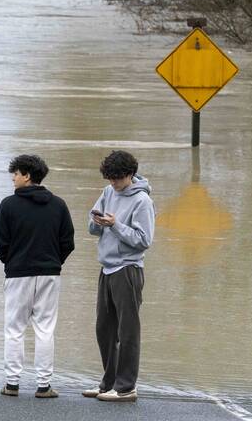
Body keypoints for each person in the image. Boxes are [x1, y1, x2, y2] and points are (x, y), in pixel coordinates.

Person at [0, 154, 75, 399]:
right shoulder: (58, 205)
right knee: (45, 329)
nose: (13, 178)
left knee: (14, 329)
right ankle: (43, 385)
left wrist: (11, 262)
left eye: (16, 173)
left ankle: (12, 383)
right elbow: (67, 242)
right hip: (50, 273)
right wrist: (54, 263)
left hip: (18, 273)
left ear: (27, 176)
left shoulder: (8, 205)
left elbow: (0, 243)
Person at [84, 150, 155, 403]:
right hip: (106, 267)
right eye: (109, 178)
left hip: (128, 269)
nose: (113, 182)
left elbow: (144, 240)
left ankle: (126, 387)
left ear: (130, 174)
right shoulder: (108, 192)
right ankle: (109, 383)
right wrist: (96, 221)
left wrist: (115, 225)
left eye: (117, 178)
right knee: (104, 329)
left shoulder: (142, 201)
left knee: (127, 332)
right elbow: (93, 229)